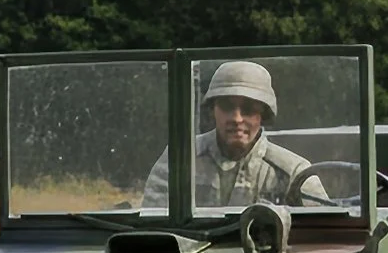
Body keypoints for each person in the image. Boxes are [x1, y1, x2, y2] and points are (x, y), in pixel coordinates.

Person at [139, 60, 331, 209]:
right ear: (213, 110)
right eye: (227, 107)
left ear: (262, 114)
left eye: (248, 109)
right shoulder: (180, 160)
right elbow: (154, 224)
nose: (237, 118)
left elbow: (320, 238)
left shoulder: (293, 173)